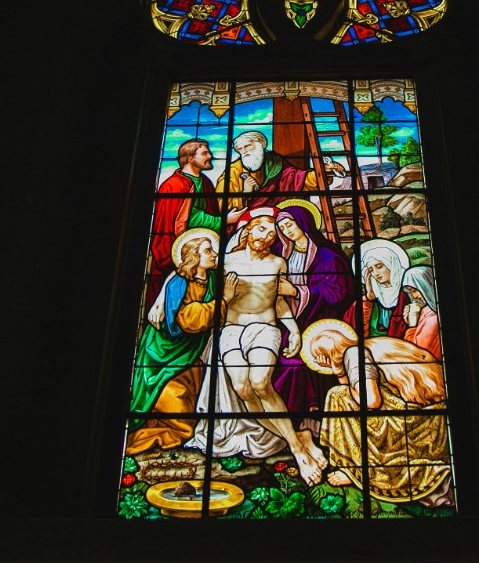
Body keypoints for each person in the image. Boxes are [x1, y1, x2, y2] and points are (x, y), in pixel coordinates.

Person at [185, 208, 328, 486]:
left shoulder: (278, 263)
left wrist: (293, 330)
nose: (267, 236)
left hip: (265, 328)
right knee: (242, 388)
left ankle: (298, 451)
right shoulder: (226, 261)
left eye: (272, 233)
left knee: (260, 382)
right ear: (248, 230)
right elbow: (190, 274)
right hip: (231, 329)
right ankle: (297, 438)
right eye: (262, 228)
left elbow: (278, 301)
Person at [302, 319, 454, 506]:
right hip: (413, 412)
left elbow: (371, 401)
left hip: (406, 419)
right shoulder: (358, 350)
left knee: (337, 395)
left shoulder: (354, 355)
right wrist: (339, 373)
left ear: (328, 353)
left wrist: (339, 375)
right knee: (343, 394)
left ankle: (356, 470)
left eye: (320, 356)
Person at [125, 228, 225, 455]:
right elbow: (186, 320)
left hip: (190, 351)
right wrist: (223, 301)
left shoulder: (212, 278)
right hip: (163, 353)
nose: (213, 254)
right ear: (194, 257)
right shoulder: (179, 283)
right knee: (176, 405)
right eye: (208, 251)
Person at [269, 199, 355, 422]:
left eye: (290, 225)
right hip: (286, 318)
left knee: (295, 366)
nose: (287, 231)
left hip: (318, 320)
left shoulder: (328, 255)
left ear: (304, 223)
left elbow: (339, 291)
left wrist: (297, 291)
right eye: (282, 228)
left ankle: (305, 418)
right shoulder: (281, 253)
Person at [216, 130, 347, 225]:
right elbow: (222, 206)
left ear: (261, 144)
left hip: (280, 218)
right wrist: (245, 194)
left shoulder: (276, 163)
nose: (244, 151)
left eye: (247, 146)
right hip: (250, 223)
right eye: (240, 149)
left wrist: (323, 171)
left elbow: (298, 179)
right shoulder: (233, 172)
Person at [148, 138, 221, 301]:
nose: (210, 156)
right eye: (205, 153)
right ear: (190, 158)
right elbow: (187, 217)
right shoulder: (173, 185)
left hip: (204, 251)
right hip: (176, 250)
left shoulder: (205, 182)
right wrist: (222, 221)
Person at [343, 238, 412, 340]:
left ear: (391, 264)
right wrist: (369, 299)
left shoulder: (409, 294)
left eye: (379, 266)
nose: (375, 273)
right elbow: (352, 329)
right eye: (371, 270)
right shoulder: (368, 300)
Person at [400, 265, 441, 360]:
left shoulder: (432, 317)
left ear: (425, 286)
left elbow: (418, 353)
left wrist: (412, 327)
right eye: (411, 292)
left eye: (414, 290)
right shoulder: (426, 310)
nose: (414, 296)